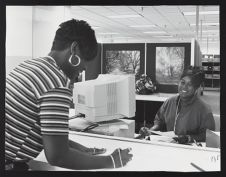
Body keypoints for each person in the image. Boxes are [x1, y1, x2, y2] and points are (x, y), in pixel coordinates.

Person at [5, 19, 132, 170]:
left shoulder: (30, 65)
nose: (84, 67)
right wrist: (112, 160)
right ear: (74, 49)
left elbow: (45, 132)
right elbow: (58, 156)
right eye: (86, 60)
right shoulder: (56, 82)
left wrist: (82, 150)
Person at [139, 66, 215, 144]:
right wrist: (150, 131)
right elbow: (159, 122)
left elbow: (208, 136)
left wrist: (188, 138)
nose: (184, 87)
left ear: (196, 88)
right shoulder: (169, 102)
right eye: (182, 82)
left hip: (190, 149)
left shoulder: (204, 110)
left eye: (190, 84)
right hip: (169, 146)